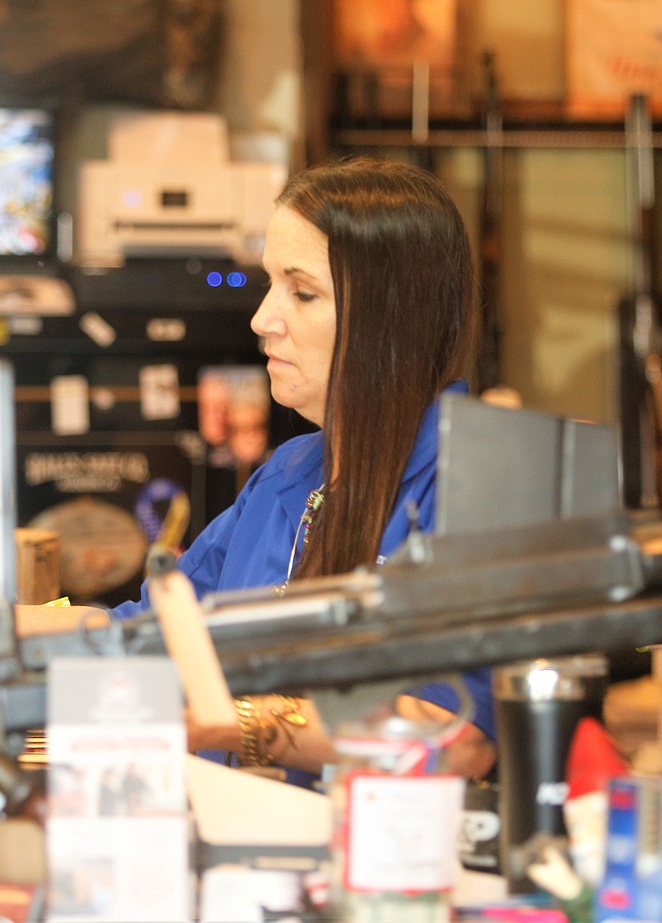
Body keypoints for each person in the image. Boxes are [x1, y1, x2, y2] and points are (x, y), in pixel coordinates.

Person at [110, 157, 496, 785]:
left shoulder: (471, 491)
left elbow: (453, 740)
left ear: (389, 320)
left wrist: (229, 719)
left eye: (303, 292)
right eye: (270, 284)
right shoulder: (290, 472)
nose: (263, 319)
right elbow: (152, 629)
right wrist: (4, 629)